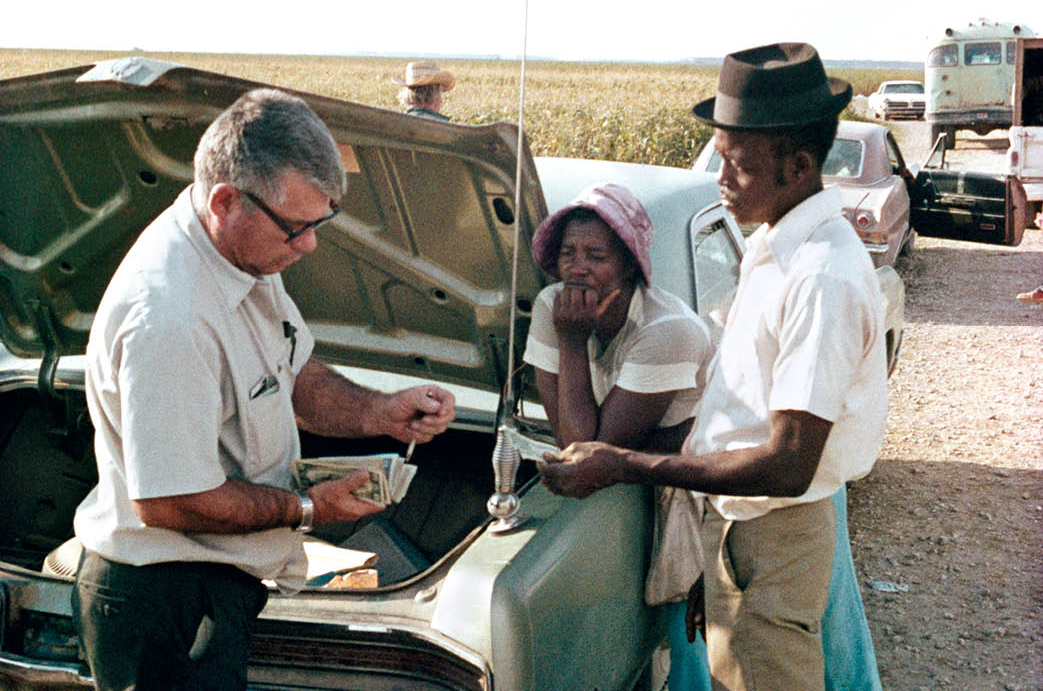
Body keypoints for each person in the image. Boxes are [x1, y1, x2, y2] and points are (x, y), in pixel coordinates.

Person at [71, 88, 455, 691]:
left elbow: (294, 374)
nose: (310, 245)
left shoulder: (239, 251)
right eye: (297, 228)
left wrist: (381, 411)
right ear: (226, 200)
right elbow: (169, 501)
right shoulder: (169, 319)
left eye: (320, 223)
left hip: (205, 589)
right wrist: (308, 509)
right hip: (162, 602)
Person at [540, 42, 887, 691]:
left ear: (799, 165)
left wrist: (625, 465)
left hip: (772, 532)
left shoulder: (820, 276)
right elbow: (739, 414)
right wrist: (713, 556)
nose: (720, 178)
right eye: (718, 158)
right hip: (740, 527)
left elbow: (785, 461)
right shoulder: (773, 243)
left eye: (737, 164)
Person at [522, 182, 715, 690]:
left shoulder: (668, 329)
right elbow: (577, 445)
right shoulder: (551, 304)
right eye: (567, 253)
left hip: (684, 491)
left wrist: (570, 340)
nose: (577, 267)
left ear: (630, 265)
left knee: (687, 643)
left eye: (596, 255)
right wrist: (567, 332)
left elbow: (584, 448)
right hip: (628, 473)